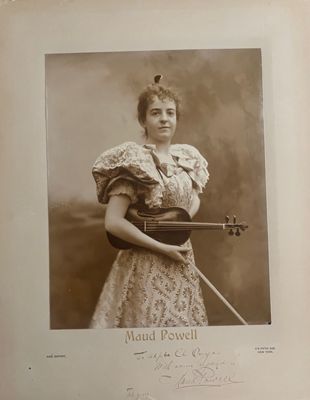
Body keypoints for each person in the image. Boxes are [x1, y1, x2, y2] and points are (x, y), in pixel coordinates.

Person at [90, 76, 209, 328]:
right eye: (156, 113)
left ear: (177, 118)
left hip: (180, 256)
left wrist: (177, 223)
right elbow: (113, 223)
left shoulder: (187, 158)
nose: (164, 119)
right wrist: (161, 246)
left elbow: (193, 200)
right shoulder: (134, 161)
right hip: (144, 263)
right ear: (143, 120)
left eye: (170, 113)